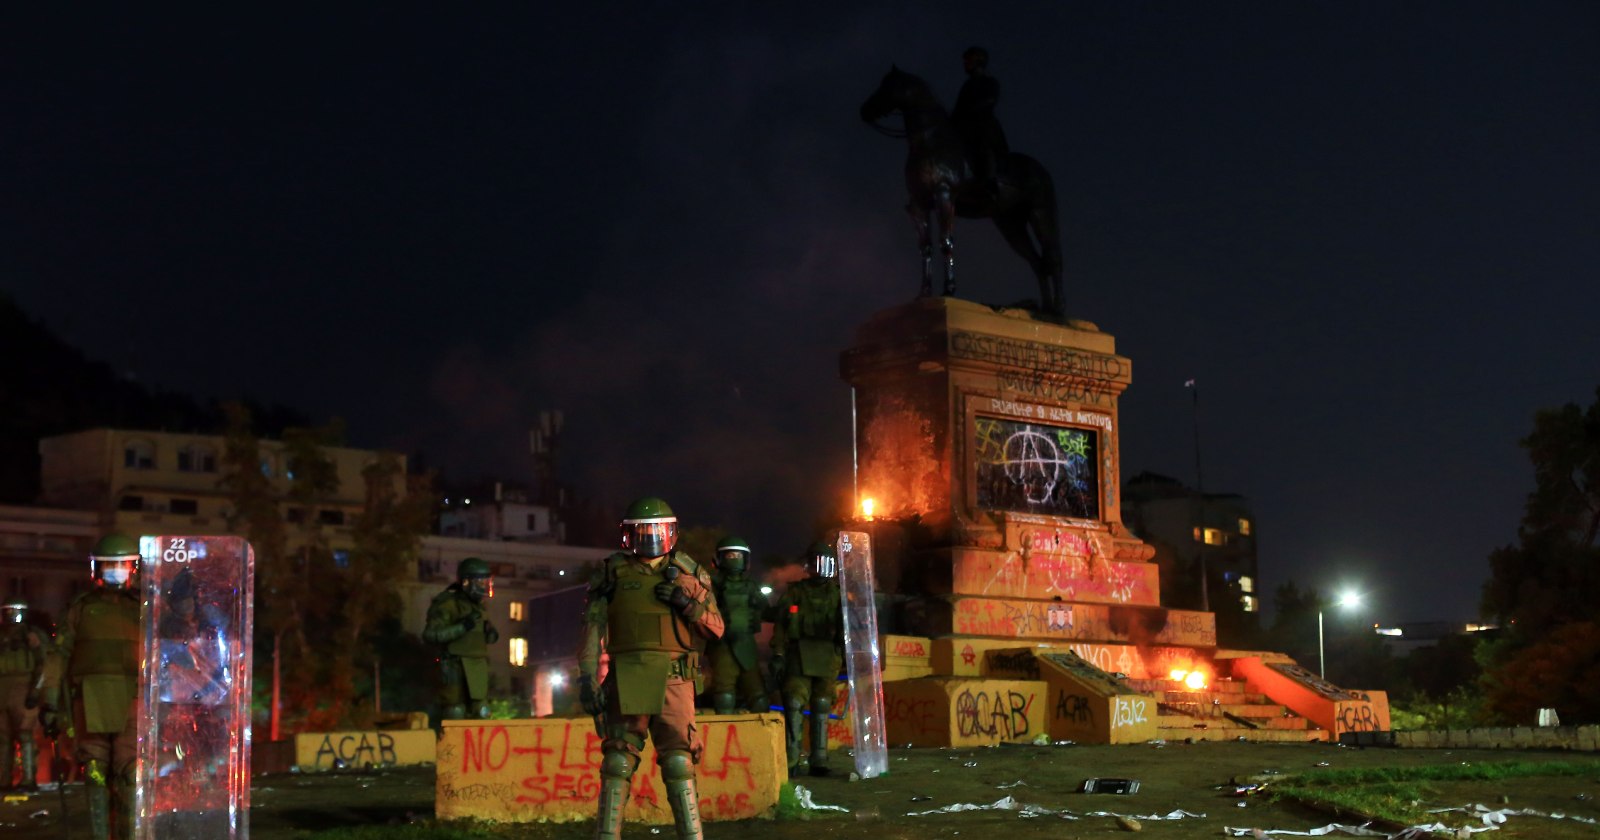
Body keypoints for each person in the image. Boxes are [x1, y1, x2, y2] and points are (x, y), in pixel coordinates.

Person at [578, 497, 723, 840]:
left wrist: (686, 604)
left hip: (676, 677)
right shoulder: (612, 573)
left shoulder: (690, 575)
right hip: (627, 676)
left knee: (678, 762)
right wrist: (587, 678)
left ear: (670, 532)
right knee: (617, 761)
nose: (650, 539)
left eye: (656, 531)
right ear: (629, 536)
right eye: (641, 532)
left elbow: (716, 628)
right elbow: (591, 630)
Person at [54, 534, 142, 840]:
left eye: (121, 564)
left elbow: (167, 648)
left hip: (132, 699)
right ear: (96, 569)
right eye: (109, 564)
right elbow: (59, 658)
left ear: (133, 567)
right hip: (88, 700)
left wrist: (185, 604)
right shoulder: (79, 608)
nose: (115, 569)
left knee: (131, 773)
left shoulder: (144, 607)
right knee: (94, 771)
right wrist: (51, 705)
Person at [771, 542, 844, 776]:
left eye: (828, 564)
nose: (823, 569)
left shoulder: (838, 594)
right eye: (818, 563)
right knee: (793, 703)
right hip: (798, 654)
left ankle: (819, 759)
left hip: (827, 656)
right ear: (809, 565)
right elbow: (781, 626)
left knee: (822, 704)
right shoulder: (795, 593)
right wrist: (779, 654)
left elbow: (850, 628)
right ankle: (791, 759)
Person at [422, 557, 499, 720]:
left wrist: (489, 632)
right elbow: (431, 635)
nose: (485, 586)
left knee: (482, 711)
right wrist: (462, 627)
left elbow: (487, 637)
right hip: (453, 665)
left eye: (487, 581)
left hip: (477, 665)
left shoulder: (478, 606)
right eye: (481, 582)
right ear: (466, 582)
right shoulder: (447, 603)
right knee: (455, 711)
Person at [705, 535, 771, 715]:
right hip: (724, 645)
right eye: (730, 555)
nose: (734, 559)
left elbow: (767, 612)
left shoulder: (716, 584)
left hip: (736, 646)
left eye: (736, 555)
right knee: (729, 696)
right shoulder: (714, 585)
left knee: (746, 697)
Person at [0, 594, 49, 792]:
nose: (12, 616)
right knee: (2, 738)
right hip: (3, 688)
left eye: (15, 611)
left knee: (25, 735)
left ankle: (29, 779)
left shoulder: (33, 635)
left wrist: (35, 692)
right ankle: (3, 781)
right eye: (8, 612)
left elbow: (44, 664)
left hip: (23, 688)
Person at [950, 45, 1009, 204]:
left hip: (983, 123)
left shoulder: (990, 82)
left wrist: (971, 110)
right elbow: (958, 108)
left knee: (983, 143)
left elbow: (990, 100)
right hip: (965, 123)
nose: (965, 64)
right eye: (965, 61)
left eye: (968, 61)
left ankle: (990, 182)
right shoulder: (967, 85)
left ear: (978, 62)